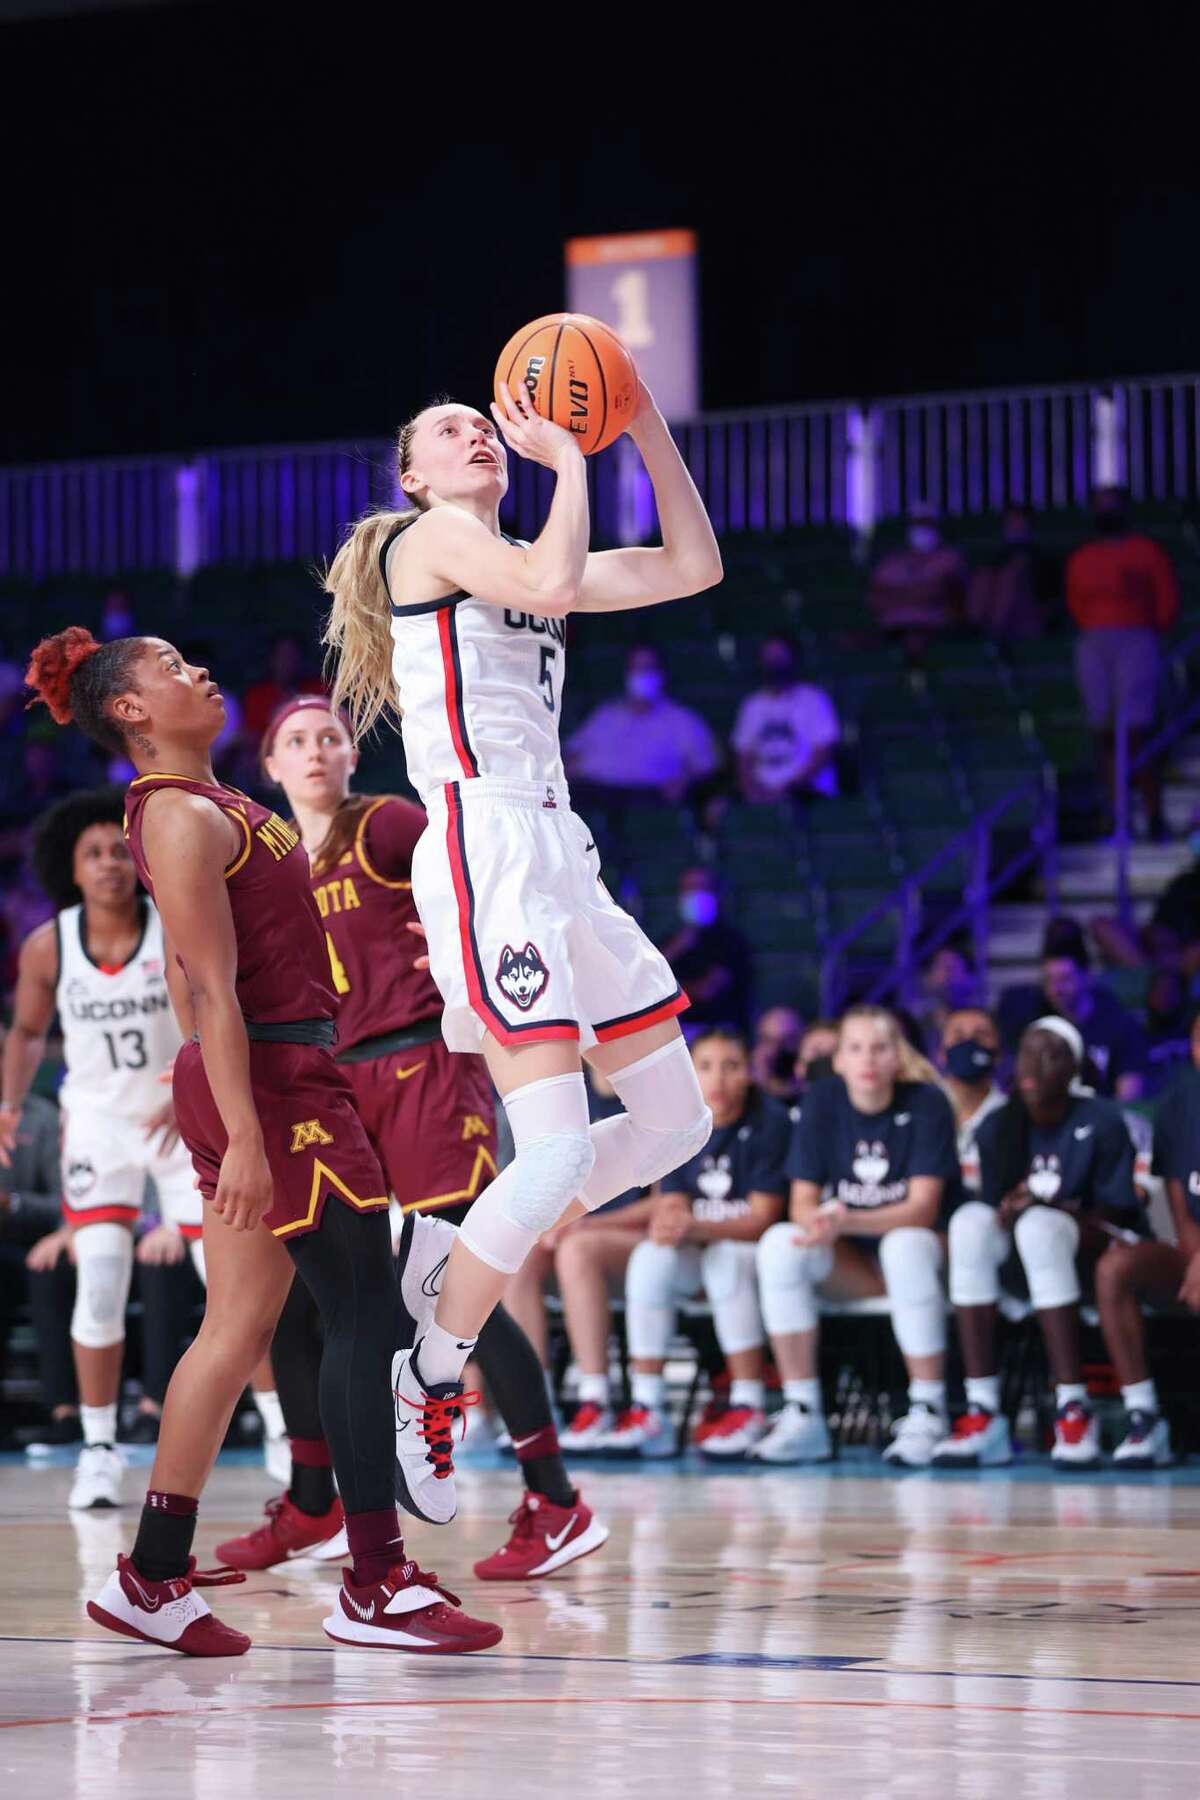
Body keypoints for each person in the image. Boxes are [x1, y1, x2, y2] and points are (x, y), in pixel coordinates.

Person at [25, 627, 499, 1658]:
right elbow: (205, 987)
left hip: (279, 1074)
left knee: (235, 1333)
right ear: (135, 712)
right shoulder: (180, 815)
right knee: (364, 1312)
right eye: (169, 666)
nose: (197, 668)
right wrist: (243, 1134)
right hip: (276, 1084)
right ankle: (376, 1580)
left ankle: (152, 1574)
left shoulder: (220, 802)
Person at [322, 378, 723, 1495]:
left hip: (561, 846)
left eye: (484, 425)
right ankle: (433, 1370)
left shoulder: (522, 562)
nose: (479, 434)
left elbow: (696, 567)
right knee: (548, 1150)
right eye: (452, 431)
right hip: (486, 844)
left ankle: (456, 1247)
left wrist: (639, 422)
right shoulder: (431, 540)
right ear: (413, 476)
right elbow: (552, 570)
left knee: (676, 1124)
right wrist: (574, 460)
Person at [214, 695, 607, 1584]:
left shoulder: (383, 824)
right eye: (296, 742)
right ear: (268, 766)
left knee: (453, 1280)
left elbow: (466, 870)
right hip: (333, 1082)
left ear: (352, 754)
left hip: (423, 1068)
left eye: (330, 737)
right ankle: (313, 1499)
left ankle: (554, 1496)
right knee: (306, 1297)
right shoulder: (271, 860)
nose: (316, 751)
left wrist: (460, 945)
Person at [0, 787, 203, 1511]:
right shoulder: (48, 943)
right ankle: (97, 1448)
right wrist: (10, 1105)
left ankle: (281, 1437)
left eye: (120, 849)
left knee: (227, 1281)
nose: (110, 863)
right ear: (72, 869)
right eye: (93, 854)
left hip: (175, 1117)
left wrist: (195, 1090)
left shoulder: (172, 926)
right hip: (97, 1124)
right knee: (101, 1280)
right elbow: (25, 1034)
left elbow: (206, 1015)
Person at [753, 1005, 959, 1467]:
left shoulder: (927, 1102)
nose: (868, 1059)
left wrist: (845, 1221)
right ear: (840, 1059)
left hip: (928, 1258)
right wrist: (822, 1225)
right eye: (856, 1048)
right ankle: (803, 1413)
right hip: (858, 1263)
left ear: (897, 1058)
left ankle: (929, 1410)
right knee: (779, 1246)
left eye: (880, 1048)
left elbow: (922, 1210)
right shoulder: (822, 1102)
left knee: (904, 1246)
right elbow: (801, 1204)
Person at [933, 1018, 1141, 1469]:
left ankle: (1074, 1407)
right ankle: (983, 1409)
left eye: (1049, 1052)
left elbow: (1118, 1212)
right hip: (1020, 1270)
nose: (1033, 1063)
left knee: (1039, 1227)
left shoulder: (1101, 1119)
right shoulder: (998, 1127)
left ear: (1074, 1067)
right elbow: (994, 1211)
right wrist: (1008, 1209)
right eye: (1026, 1051)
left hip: (1091, 1258)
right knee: (969, 1221)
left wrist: (1050, 1208)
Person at [598, 1026, 790, 1458]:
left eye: (731, 1067)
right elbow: (672, 1206)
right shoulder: (682, 1123)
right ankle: (649, 1409)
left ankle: (749, 1404)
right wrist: (671, 1223)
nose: (718, 1079)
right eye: (705, 1067)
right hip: (698, 1252)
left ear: (750, 1073)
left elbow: (761, 1219)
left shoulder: (770, 1122)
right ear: (689, 1073)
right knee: (651, 1256)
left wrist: (693, 1227)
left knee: (727, 1257)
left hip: (758, 1259)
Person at [1092, 1010, 1200, 1469]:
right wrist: (1196, 1258)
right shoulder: (1180, 1103)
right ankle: (1145, 1417)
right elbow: (1181, 1202)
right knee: (1116, 1268)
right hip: (1195, 1253)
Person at [1066, 487, 1179, 840]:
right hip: (1094, 640)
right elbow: (1076, 603)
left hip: (1136, 637)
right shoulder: (1081, 557)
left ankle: (1154, 815)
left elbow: (1166, 603)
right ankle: (1116, 818)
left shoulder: (1147, 553)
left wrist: (1143, 629)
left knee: (1135, 733)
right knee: (1103, 734)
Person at [997, 914, 1149, 1099]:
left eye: (1065, 979)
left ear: (1087, 976)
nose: (1056, 989)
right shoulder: (1035, 1024)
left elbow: (1129, 1092)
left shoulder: (1119, 1025)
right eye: (1049, 980)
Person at [565, 643, 721, 807]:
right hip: (597, 796)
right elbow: (573, 753)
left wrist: (685, 780)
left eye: (648, 667)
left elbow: (706, 765)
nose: (642, 674)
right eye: (636, 668)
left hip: (652, 803)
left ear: (662, 673)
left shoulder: (682, 720)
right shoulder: (606, 715)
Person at [0, 1089, 66, 1444]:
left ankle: (62, 1411)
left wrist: (12, 1203)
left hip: (29, 1241)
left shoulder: (41, 1116)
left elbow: (63, 1202)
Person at [731, 634, 839, 803]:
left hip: (806, 791)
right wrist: (751, 790)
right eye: (769, 655)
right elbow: (743, 756)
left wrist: (791, 788)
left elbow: (823, 752)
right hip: (761, 793)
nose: (774, 662)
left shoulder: (813, 699)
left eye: (779, 655)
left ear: (793, 659)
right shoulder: (752, 704)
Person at [867, 501, 967, 660]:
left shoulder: (950, 559)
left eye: (927, 523)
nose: (922, 529)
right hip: (893, 628)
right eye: (918, 523)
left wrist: (902, 594)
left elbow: (948, 594)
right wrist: (920, 592)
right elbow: (877, 598)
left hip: (937, 628)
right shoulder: (891, 562)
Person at [659, 868, 753, 1033]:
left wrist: (670, 992)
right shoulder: (671, 941)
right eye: (688, 889)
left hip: (722, 1030)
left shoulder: (732, 941)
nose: (694, 895)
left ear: (716, 894)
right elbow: (652, 980)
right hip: (677, 1031)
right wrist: (677, 947)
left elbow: (707, 990)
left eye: (701, 888)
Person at [939, 1006, 1007, 1194]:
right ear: (941, 1053)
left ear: (999, 1053)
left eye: (980, 1036)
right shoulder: (921, 1111)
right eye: (958, 1037)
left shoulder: (1011, 1116)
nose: (969, 1043)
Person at [966, 505, 1059, 643]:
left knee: (1009, 577)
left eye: (1019, 523)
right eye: (1011, 523)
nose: (1015, 527)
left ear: (1029, 525)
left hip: (1030, 620)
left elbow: (1054, 602)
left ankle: (994, 635)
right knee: (983, 575)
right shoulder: (997, 559)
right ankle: (973, 630)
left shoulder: (1045, 560)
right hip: (993, 618)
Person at [750, 1005, 804, 1103]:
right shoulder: (746, 1093)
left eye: (787, 1040)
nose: (775, 1049)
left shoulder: (810, 1093)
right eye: (768, 1040)